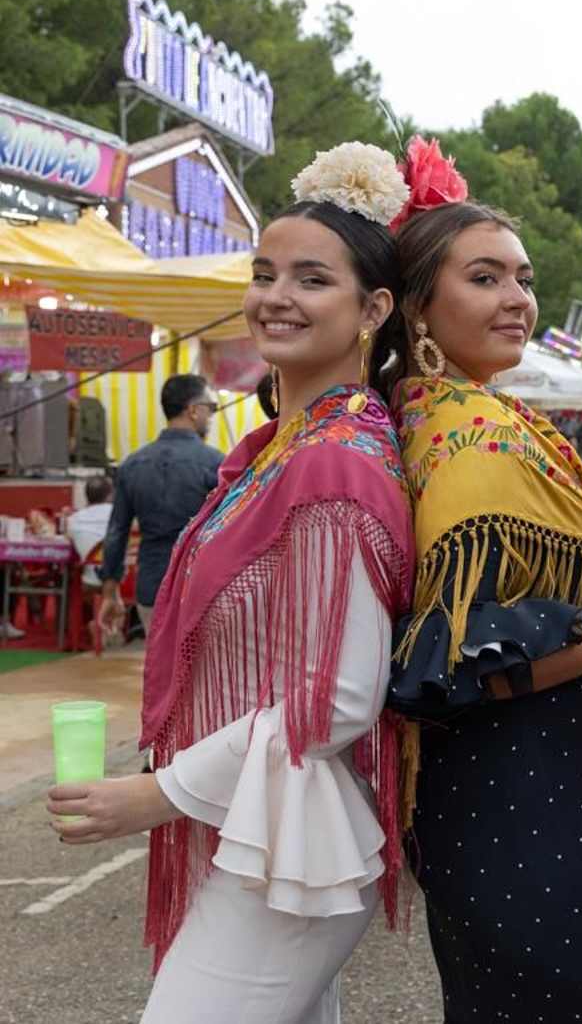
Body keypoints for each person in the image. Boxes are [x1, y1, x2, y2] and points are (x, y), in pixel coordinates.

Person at [48, 141, 416, 1022]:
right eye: (264, 272)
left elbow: (337, 701)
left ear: (374, 308)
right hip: (263, 821)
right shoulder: (273, 452)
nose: (275, 296)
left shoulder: (335, 460)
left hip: (291, 839)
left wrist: (156, 791)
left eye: (310, 279)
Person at [384, 185, 582, 1021]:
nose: (518, 299)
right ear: (415, 306)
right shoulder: (467, 439)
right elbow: (442, 664)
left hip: (527, 784)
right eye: (485, 278)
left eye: (522, 278)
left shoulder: (455, 416)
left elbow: (486, 593)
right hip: (513, 793)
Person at [97, 373, 223, 637]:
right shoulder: (216, 463)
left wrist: (110, 590)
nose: (211, 416)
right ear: (193, 410)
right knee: (198, 675)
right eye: (210, 409)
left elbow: (116, 532)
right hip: (201, 586)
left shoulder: (132, 464)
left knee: (157, 671)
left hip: (152, 586)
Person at [66, 475, 114, 587]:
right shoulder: (120, 516)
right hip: (124, 581)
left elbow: (69, 539)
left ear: (86, 497)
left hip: (91, 580)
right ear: (110, 495)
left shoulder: (74, 520)